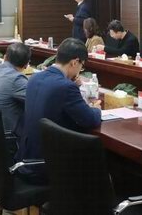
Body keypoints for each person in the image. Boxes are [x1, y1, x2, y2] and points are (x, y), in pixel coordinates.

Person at [17, 38, 101, 184]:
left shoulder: (34, 78)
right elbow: (90, 119)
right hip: (48, 166)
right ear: (74, 62)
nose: (80, 70)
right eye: (81, 66)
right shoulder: (66, 87)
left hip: (26, 158)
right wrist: (96, 109)